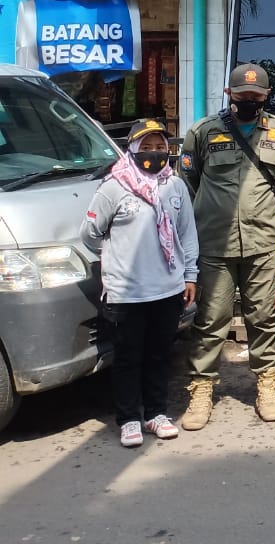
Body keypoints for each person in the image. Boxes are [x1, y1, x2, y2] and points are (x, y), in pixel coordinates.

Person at [179, 64, 275, 430]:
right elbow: (188, 185)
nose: (249, 102)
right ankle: (200, 389)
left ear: (266, 97)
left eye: (256, 97)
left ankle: (267, 383)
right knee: (211, 319)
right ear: (229, 94)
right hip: (215, 243)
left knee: (263, 317)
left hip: (263, 242)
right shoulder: (202, 132)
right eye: (242, 97)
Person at [82, 119, 198, 447]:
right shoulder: (113, 187)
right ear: (131, 149)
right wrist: (115, 256)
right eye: (146, 147)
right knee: (129, 356)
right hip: (127, 292)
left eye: (160, 146)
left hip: (168, 288)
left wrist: (190, 274)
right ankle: (129, 418)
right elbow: (89, 234)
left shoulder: (174, 186)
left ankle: (156, 413)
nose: (154, 153)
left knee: (158, 354)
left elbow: (187, 233)